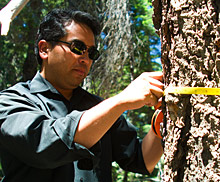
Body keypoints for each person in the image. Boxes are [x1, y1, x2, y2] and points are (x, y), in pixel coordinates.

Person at [0, 9, 164, 182]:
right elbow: (44, 145)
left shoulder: (99, 107)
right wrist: (121, 101)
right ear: (44, 49)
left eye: (91, 53)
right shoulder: (11, 102)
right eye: (77, 47)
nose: (85, 59)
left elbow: (141, 159)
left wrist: (160, 124)